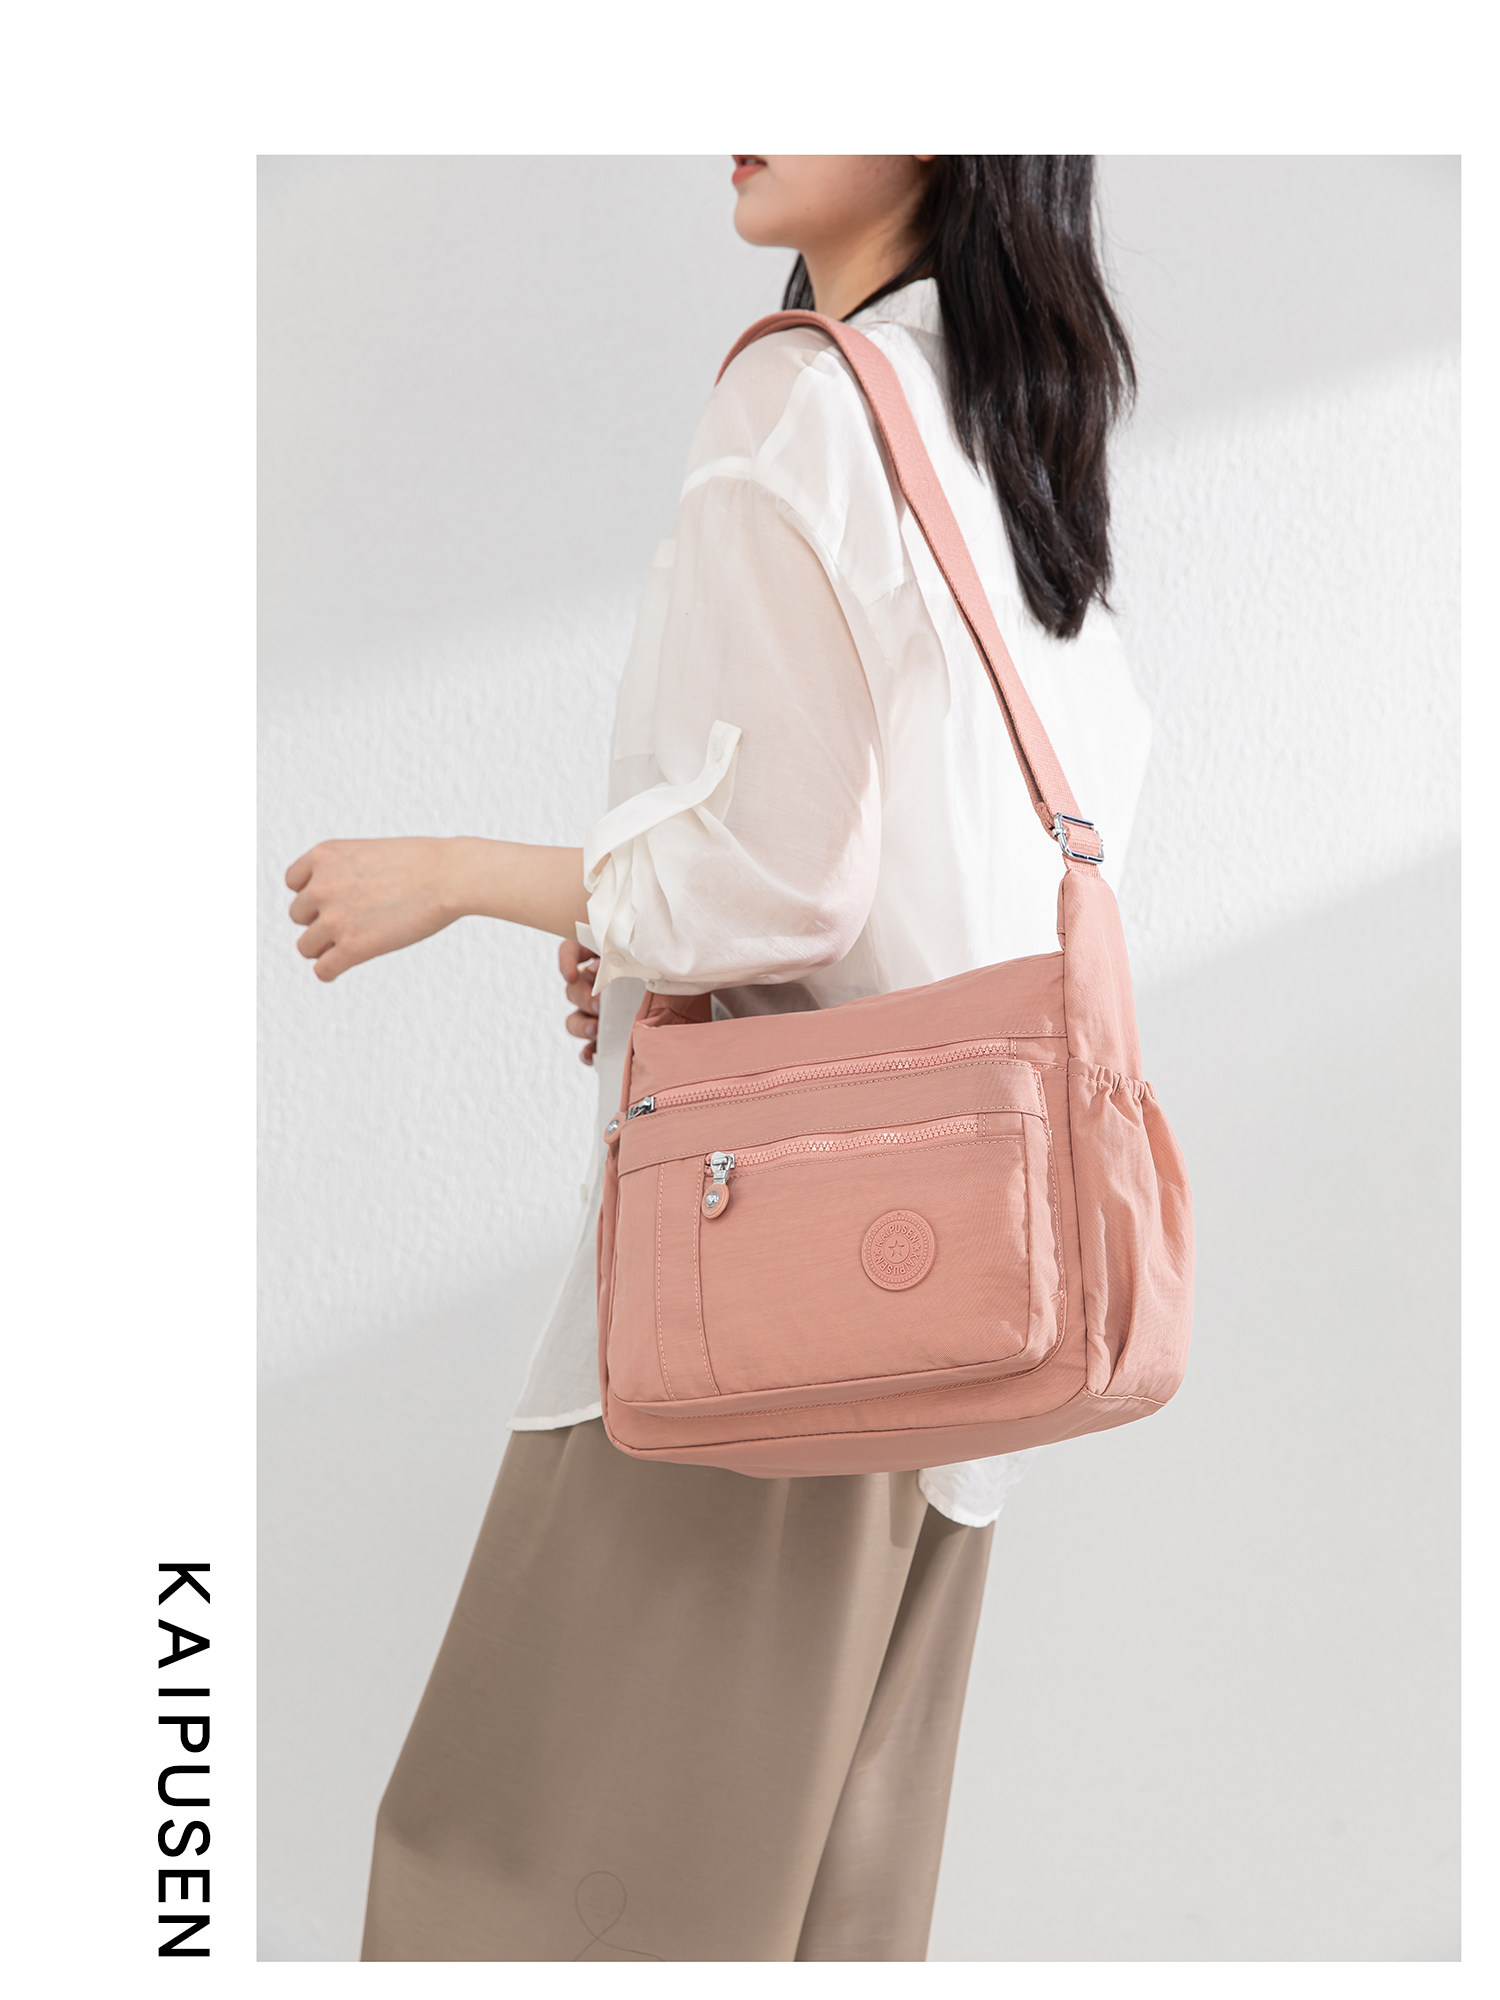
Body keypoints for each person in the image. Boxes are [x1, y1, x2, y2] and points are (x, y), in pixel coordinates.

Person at [287, 154, 1152, 1963]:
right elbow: (978, 867)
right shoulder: (1009, 425)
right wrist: (648, 943)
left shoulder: (811, 401)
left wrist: (464, 877)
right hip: (964, 1328)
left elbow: (776, 878)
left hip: (763, 1317)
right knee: (819, 1930)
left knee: (502, 1903)